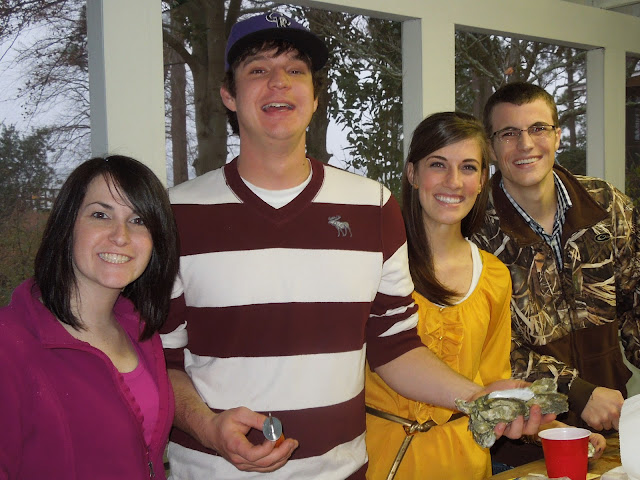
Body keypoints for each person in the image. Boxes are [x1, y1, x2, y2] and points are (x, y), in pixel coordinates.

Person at [160, 13, 552, 480]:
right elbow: (160, 360)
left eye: (296, 70)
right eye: (258, 69)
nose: (279, 82)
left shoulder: (371, 207)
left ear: (315, 96)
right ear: (229, 94)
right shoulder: (176, 214)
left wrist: (477, 398)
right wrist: (207, 428)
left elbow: (395, 346)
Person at [471, 81, 640, 466]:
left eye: (538, 129)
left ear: (558, 135)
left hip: (611, 429)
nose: (526, 144)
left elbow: (635, 303)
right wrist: (577, 392)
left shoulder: (606, 204)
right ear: (491, 148)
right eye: (509, 133)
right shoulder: (476, 231)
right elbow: (486, 346)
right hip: (520, 444)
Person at [0, 155, 179, 479]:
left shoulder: (140, 331)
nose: (121, 236)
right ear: (67, 225)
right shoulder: (9, 344)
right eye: (100, 215)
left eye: (138, 220)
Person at [364, 111, 512, 480]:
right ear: (412, 174)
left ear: (482, 180)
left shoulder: (495, 275)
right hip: (379, 460)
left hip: (466, 463)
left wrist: (545, 423)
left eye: (468, 167)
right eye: (438, 164)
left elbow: (492, 382)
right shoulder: (375, 262)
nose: (453, 181)